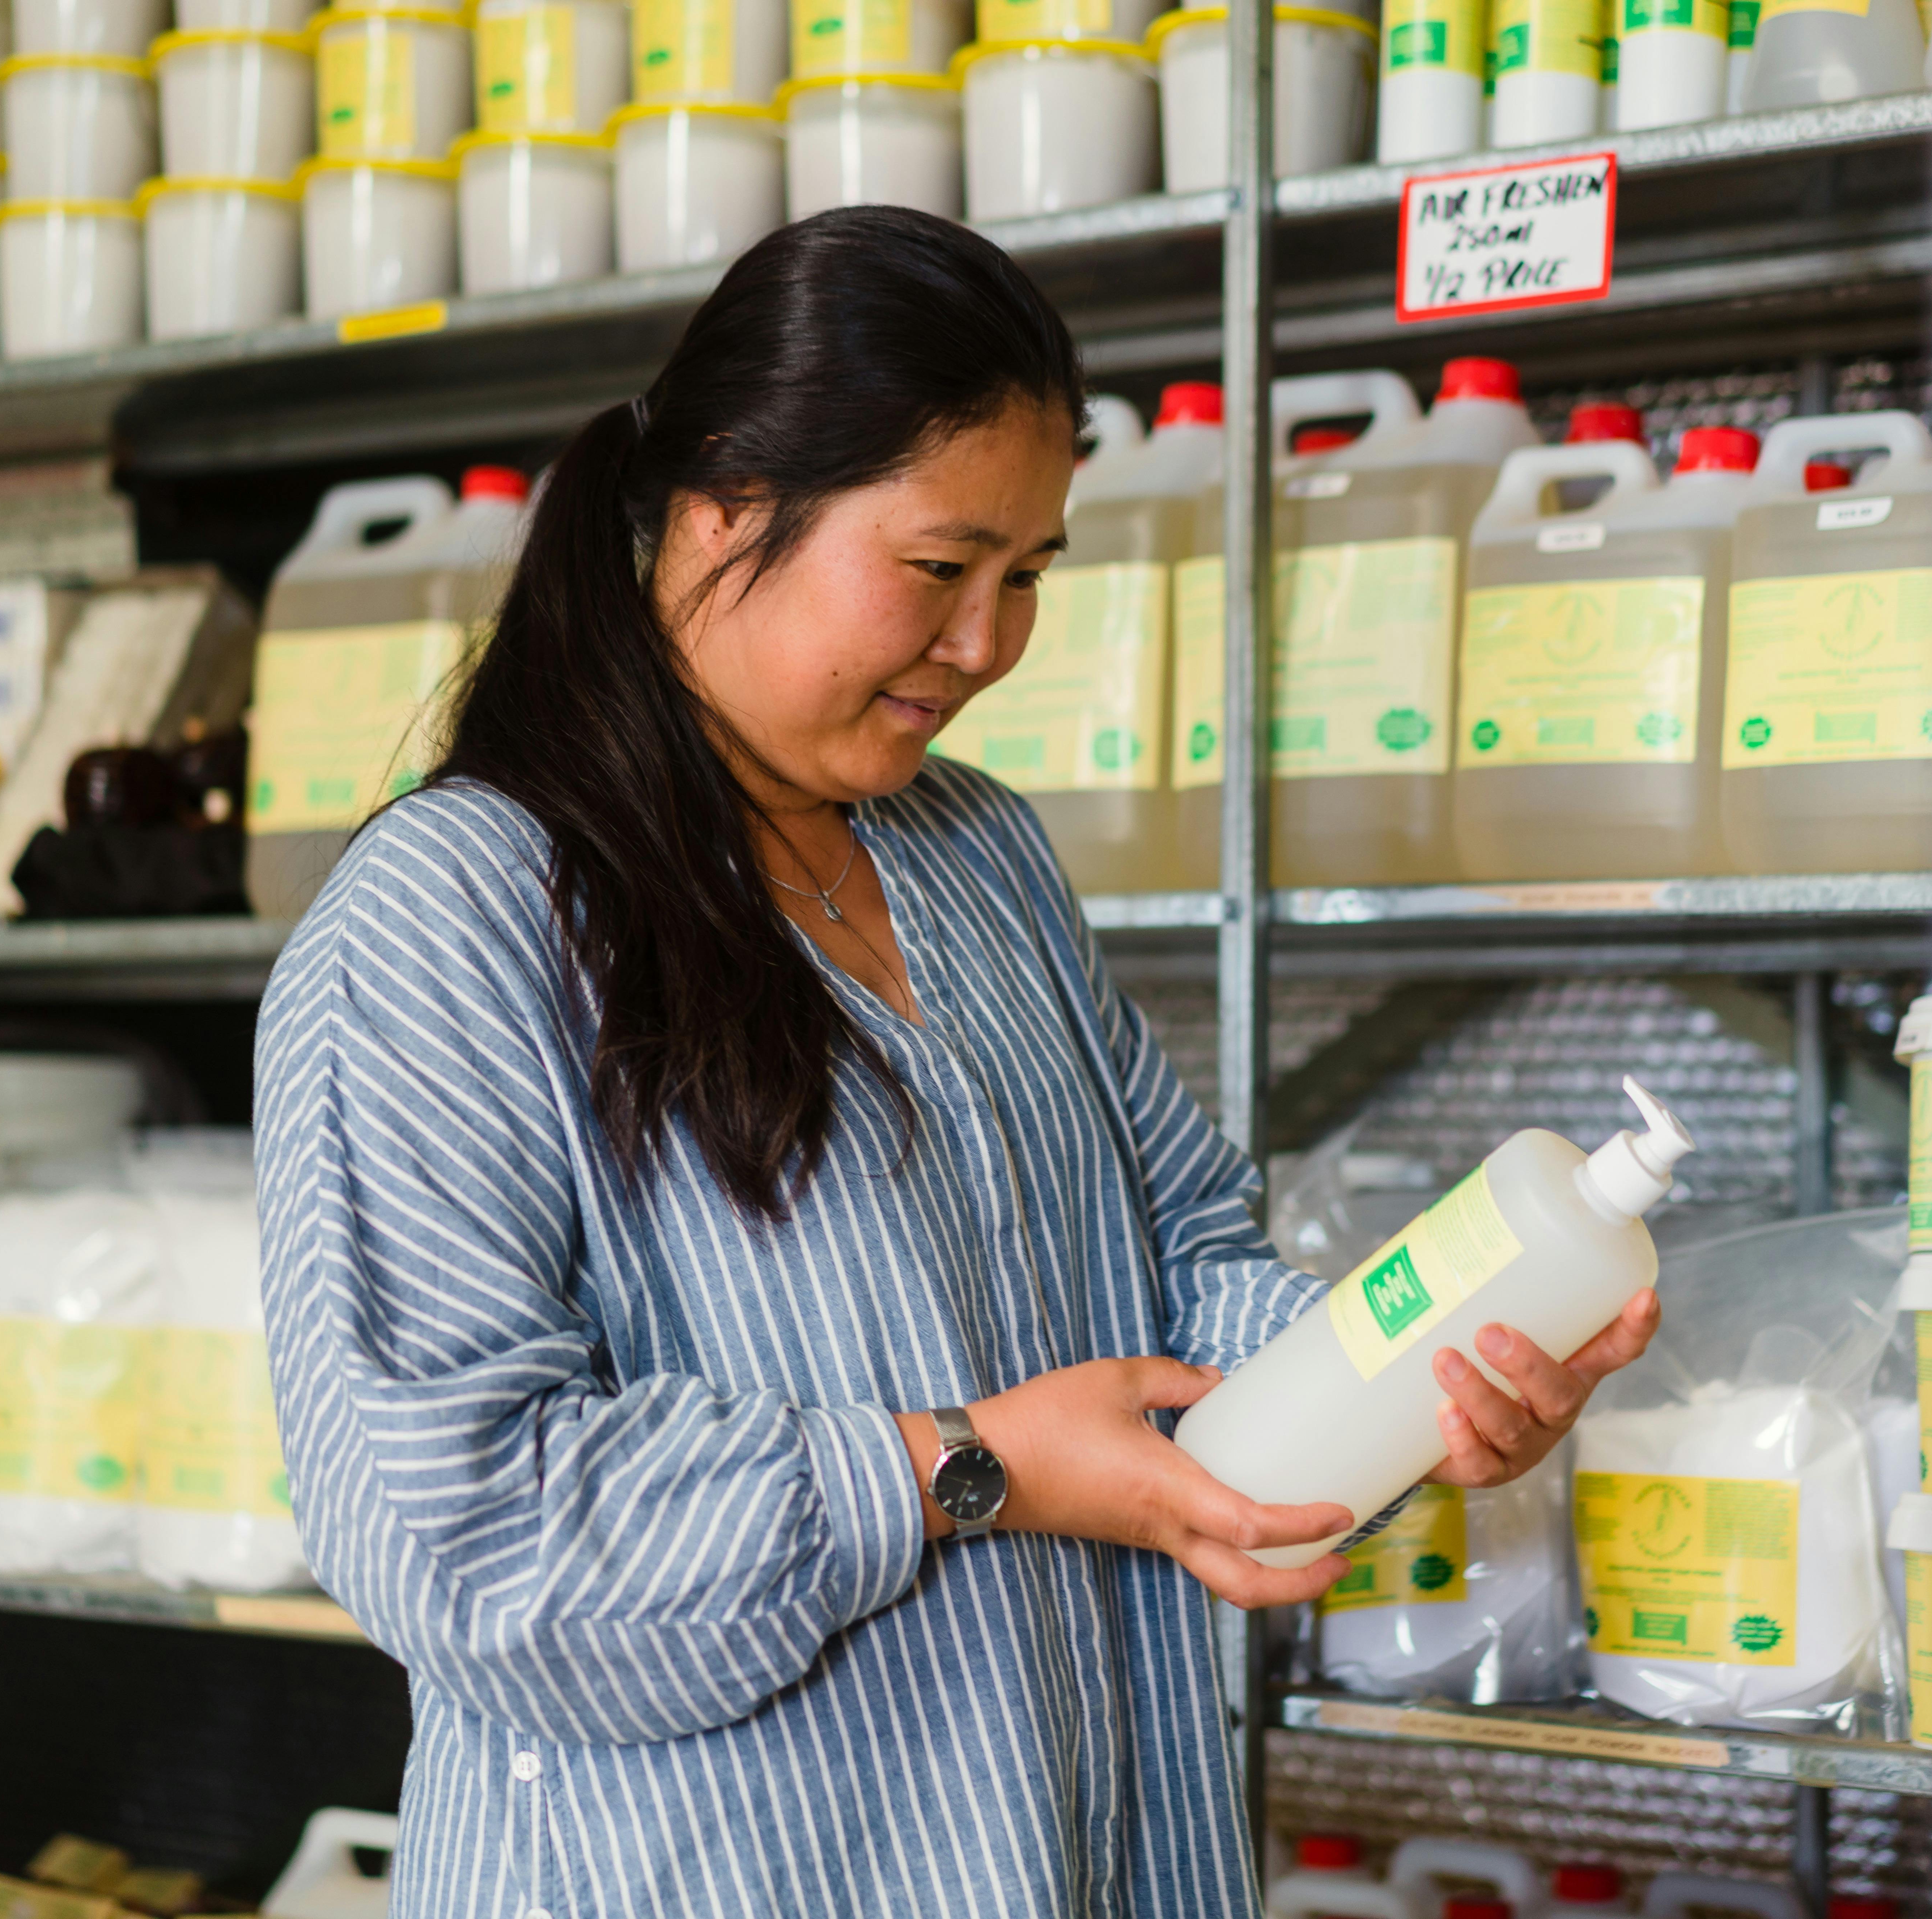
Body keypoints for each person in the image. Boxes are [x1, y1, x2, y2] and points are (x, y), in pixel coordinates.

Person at [252, 206, 1659, 1918]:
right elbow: (451, 1526)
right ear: (717, 512)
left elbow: (1178, 1263)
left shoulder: (972, 855)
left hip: (1071, 1850)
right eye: (936, 570)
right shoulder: (452, 916)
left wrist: (1404, 1391)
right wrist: (960, 1469)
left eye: (1028, 580)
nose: (986, 646)